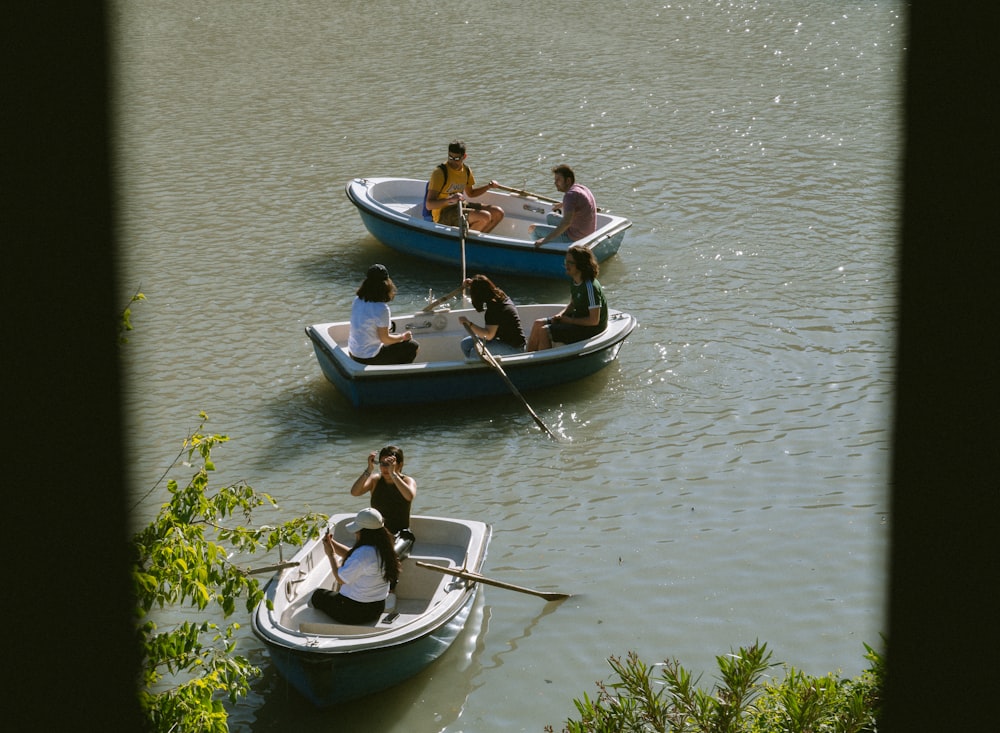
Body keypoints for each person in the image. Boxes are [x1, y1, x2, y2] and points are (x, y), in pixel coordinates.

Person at [310, 507, 401, 625]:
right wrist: (331, 543)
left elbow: (340, 579)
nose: (356, 533)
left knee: (317, 596)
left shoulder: (362, 554)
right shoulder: (384, 547)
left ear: (364, 532)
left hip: (354, 612)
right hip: (377, 608)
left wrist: (331, 555)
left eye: (357, 530)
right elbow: (352, 556)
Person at [526, 244, 608, 351]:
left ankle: (543, 362)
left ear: (580, 265)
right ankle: (527, 356)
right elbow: (573, 303)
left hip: (591, 329)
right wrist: (561, 315)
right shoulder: (574, 280)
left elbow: (594, 321)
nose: (566, 266)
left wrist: (569, 320)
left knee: (545, 331)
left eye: (570, 263)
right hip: (577, 320)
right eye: (566, 262)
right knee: (538, 323)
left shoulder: (590, 287)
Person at [424, 141, 504, 233]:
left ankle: (476, 241)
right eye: (450, 157)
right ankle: (469, 242)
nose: (453, 162)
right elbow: (429, 205)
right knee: (484, 217)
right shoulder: (439, 173)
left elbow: (471, 193)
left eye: (457, 158)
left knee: (498, 212)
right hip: (443, 214)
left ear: (464, 157)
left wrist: (488, 186)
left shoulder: (466, 171)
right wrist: (450, 200)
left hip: (460, 206)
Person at [348, 263, 419, 364]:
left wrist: (399, 337)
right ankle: (397, 373)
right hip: (369, 357)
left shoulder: (357, 300)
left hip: (354, 352)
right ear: (386, 284)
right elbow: (385, 339)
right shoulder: (381, 309)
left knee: (397, 338)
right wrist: (404, 337)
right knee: (412, 345)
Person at [349, 445, 416, 536]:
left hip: (400, 534)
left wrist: (393, 473)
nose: (385, 468)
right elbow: (355, 492)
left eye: (389, 464)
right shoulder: (375, 480)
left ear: (400, 464)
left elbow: (409, 496)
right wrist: (369, 469)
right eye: (382, 464)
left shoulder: (407, 481)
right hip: (377, 531)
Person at [457, 275, 526, 360]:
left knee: (475, 353)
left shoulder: (494, 309)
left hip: (515, 349)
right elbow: (482, 286)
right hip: (502, 341)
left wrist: (469, 323)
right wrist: (471, 283)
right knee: (465, 344)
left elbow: (488, 335)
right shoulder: (500, 295)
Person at [533, 165, 597, 247]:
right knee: (550, 216)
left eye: (558, 180)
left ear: (568, 181)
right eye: (555, 180)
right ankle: (555, 246)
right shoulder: (581, 188)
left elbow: (567, 222)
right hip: (588, 234)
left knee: (534, 229)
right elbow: (578, 201)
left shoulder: (570, 196)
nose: (555, 183)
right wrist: (563, 204)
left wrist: (545, 239)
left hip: (576, 238)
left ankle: (538, 252)